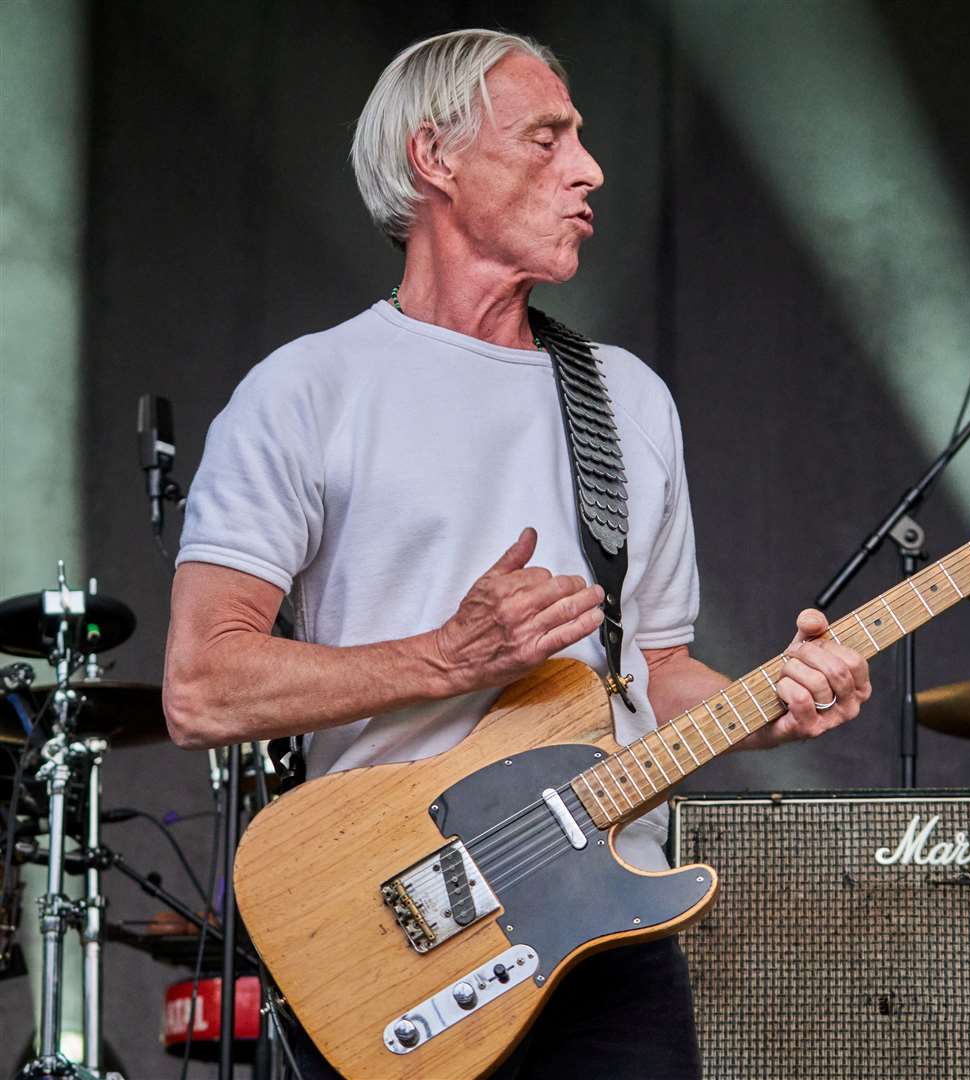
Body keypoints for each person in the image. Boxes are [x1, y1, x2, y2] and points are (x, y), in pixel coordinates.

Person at [163, 28, 870, 1079]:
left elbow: (653, 674)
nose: (588, 169)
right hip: (388, 928)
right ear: (433, 158)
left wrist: (772, 707)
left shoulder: (624, 398)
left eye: (580, 140)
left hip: (606, 930)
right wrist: (446, 659)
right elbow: (201, 686)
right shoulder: (306, 393)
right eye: (547, 139)